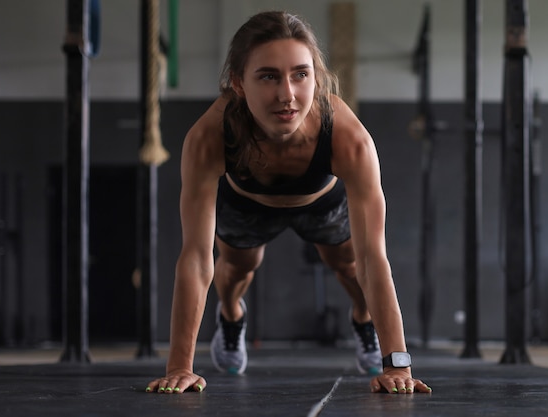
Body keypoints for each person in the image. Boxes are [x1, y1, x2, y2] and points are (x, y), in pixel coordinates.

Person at [146, 10, 431, 395]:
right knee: (237, 266)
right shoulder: (210, 136)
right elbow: (196, 258)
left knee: (348, 263)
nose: (287, 95)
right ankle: (231, 318)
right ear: (238, 83)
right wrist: (180, 366)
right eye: (268, 76)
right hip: (247, 204)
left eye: (300, 74)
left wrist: (397, 363)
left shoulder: (348, 138)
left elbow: (373, 257)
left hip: (320, 202)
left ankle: (365, 322)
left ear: (316, 77)